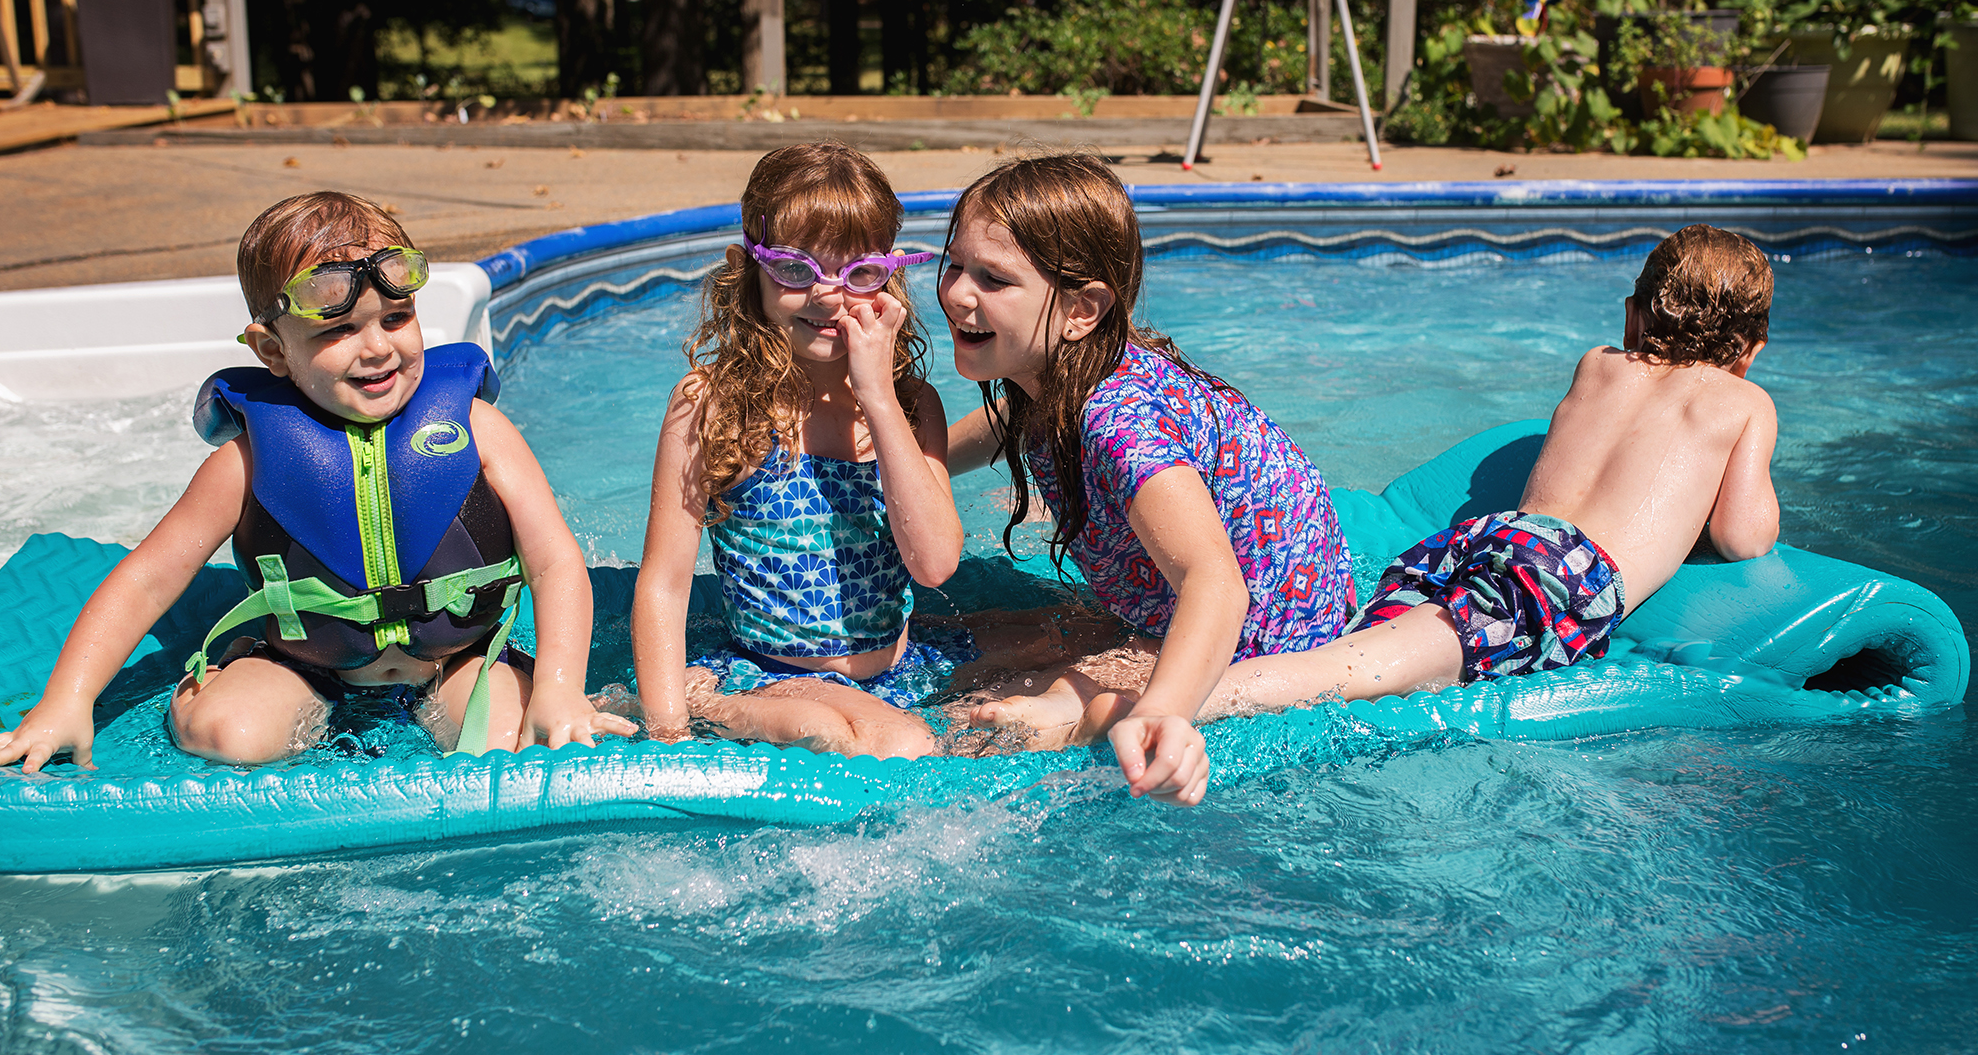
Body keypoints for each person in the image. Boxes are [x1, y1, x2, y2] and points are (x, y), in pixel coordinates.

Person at [0, 192, 635, 774]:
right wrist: (66, 699)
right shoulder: (247, 461)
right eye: (340, 329)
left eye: (395, 318)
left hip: (455, 656)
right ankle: (229, 679)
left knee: (506, 745)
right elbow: (146, 579)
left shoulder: (477, 427)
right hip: (309, 664)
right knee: (226, 735)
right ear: (272, 351)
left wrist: (557, 684)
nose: (376, 347)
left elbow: (553, 563)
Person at [1207, 222, 1779, 711]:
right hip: (1565, 576)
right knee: (1349, 673)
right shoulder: (1745, 402)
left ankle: (1180, 677)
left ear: (1632, 318)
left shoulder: (1600, 363)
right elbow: (1741, 536)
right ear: (1750, 351)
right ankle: (1173, 705)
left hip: (1486, 539)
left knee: (1355, 648)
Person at [939, 154, 1356, 805]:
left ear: (1083, 309)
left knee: (990, 710)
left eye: (993, 278)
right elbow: (1009, 426)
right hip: (1193, 597)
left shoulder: (1116, 423)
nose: (959, 292)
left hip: (1261, 632)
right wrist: (912, 454)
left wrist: (1164, 710)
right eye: (955, 264)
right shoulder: (1061, 363)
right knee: (971, 649)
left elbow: (1215, 581)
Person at [631, 143, 977, 759]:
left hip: (901, 669)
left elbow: (933, 563)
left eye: (858, 274)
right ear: (747, 269)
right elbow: (665, 581)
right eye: (796, 269)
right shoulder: (711, 404)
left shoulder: (911, 404)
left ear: (888, 279)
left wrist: (876, 394)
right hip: (769, 672)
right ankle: (711, 700)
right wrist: (669, 726)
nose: (828, 296)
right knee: (892, 743)